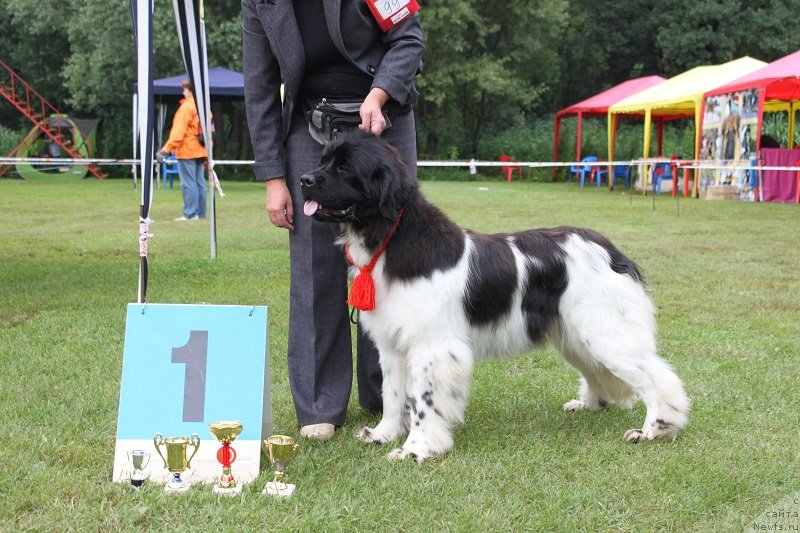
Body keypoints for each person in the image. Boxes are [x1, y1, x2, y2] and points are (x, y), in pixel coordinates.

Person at [242, 0, 424, 440]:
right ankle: (320, 405)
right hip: (309, 126)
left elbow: (408, 39)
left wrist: (379, 94)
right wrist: (272, 178)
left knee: (390, 263)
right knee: (313, 266)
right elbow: (260, 86)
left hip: (382, 119)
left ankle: (388, 396)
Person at [160, 80, 207, 221]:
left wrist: (167, 147)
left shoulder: (186, 107)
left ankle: (190, 214)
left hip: (187, 150)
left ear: (190, 91)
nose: (183, 92)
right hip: (201, 149)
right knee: (200, 183)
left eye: (185, 90)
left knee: (188, 183)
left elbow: (178, 131)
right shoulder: (203, 107)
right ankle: (201, 214)